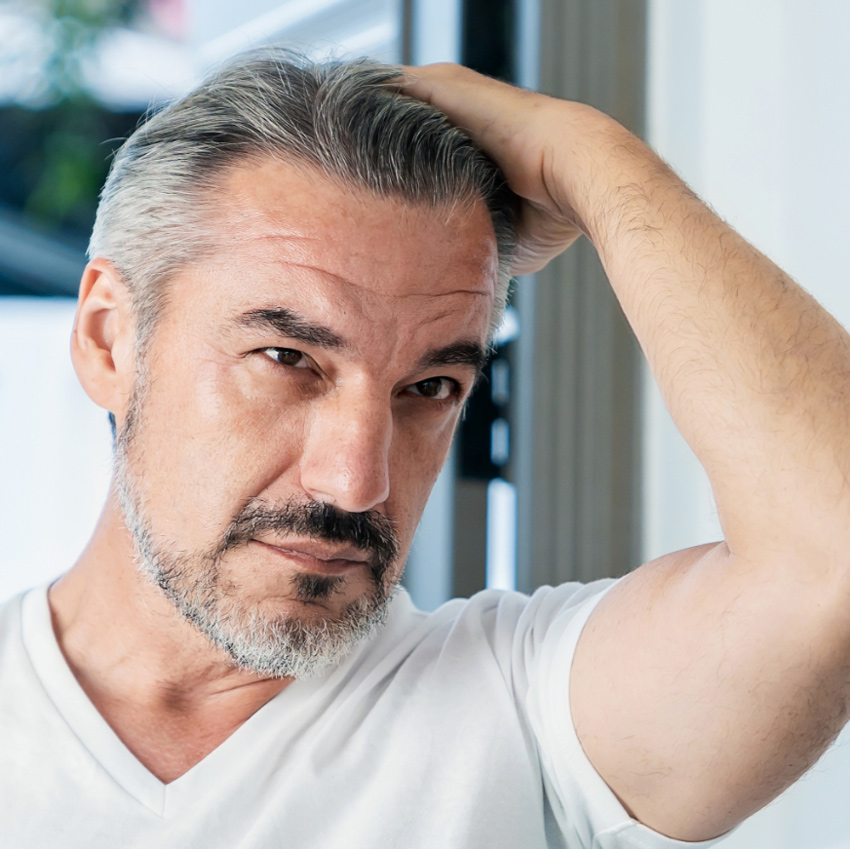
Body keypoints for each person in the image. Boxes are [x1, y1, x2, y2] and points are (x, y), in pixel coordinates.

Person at [2, 47, 849, 849]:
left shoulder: (521, 708)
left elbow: (831, 560)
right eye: (289, 360)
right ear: (111, 337)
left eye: (429, 387)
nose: (357, 480)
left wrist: (590, 158)